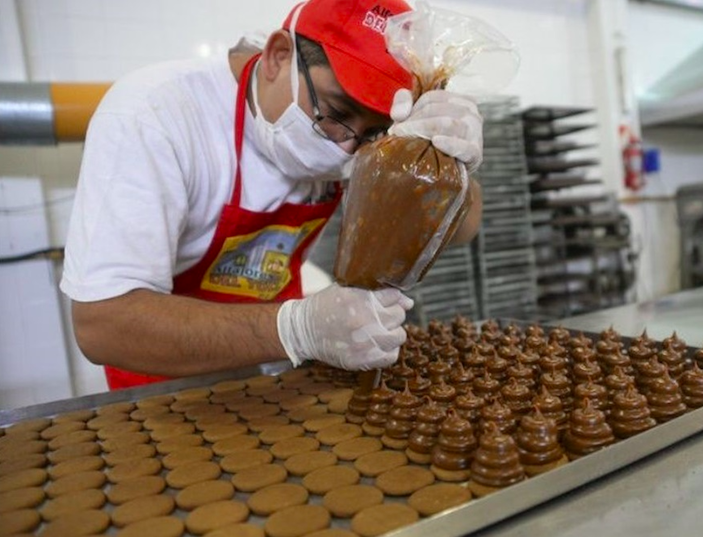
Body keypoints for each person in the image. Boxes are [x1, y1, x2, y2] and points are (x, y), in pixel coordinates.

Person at [60, 0, 484, 390]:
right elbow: (102, 324)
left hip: (276, 378)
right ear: (278, 56)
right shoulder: (157, 114)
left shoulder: (358, 138)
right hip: (162, 389)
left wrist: (451, 164)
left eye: (373, 132)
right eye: (334, 114)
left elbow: (463, 230)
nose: (347, 149)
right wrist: (297, 328)